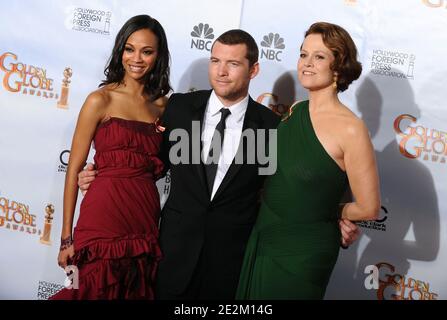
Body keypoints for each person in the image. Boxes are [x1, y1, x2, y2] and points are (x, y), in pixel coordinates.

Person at [78, 29, 361, 300]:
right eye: (215, 61)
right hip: (173, 257)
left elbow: (299, 182)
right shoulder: (178, 109)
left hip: (231, 266)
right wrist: (99, 175)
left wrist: (335, 215)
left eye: (233, 64)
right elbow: (147, 161)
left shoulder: (271, 127)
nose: (221, 71)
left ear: (254, 70)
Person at [235, 22, 380, 300]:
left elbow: (369, 207)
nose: (307, 64)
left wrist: (326, 213)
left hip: (304, 252)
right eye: (303, 55)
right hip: (265, 233)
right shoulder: (294, 111)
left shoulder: (351, 129)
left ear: (338, 67)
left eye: (319, 56)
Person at [50, 14, 171, 300]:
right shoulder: (99, 99)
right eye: (130, 49)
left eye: (147, 51)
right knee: (84, 287)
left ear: (158, 56)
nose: (136, 58)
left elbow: (165, 162)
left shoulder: (163, 106)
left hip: (143, 215)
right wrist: (67, 237)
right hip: (102, 213)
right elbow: (73, 171)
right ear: (120, 51)